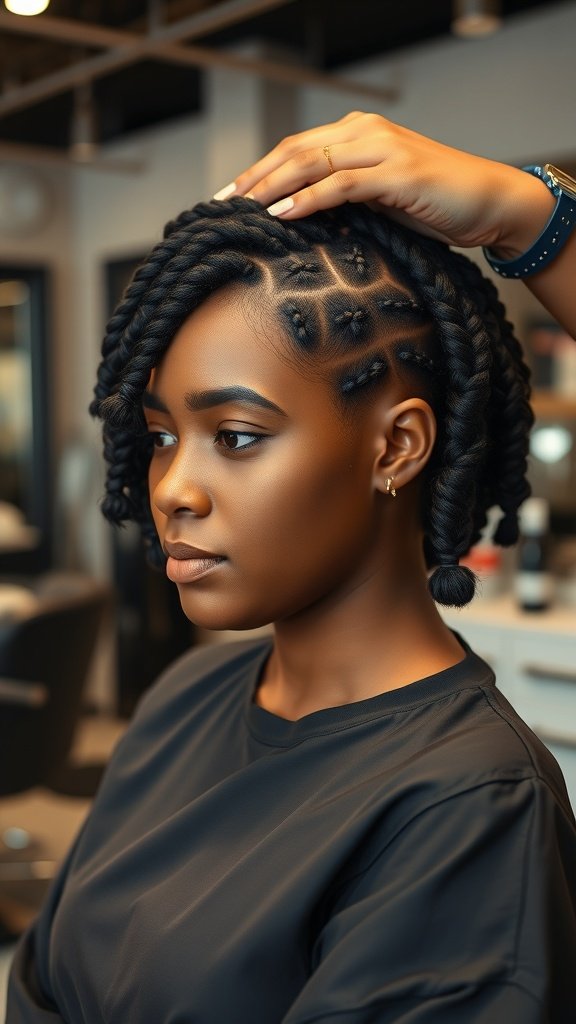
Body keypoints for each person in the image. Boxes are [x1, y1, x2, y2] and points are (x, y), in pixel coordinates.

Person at [6, 112, 576, 1022]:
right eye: (160, 436)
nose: (172, 489)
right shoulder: (187, 694)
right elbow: (40, 981)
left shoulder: (467, 810)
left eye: (235, 436)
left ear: (397, 448)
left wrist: (529, 213)